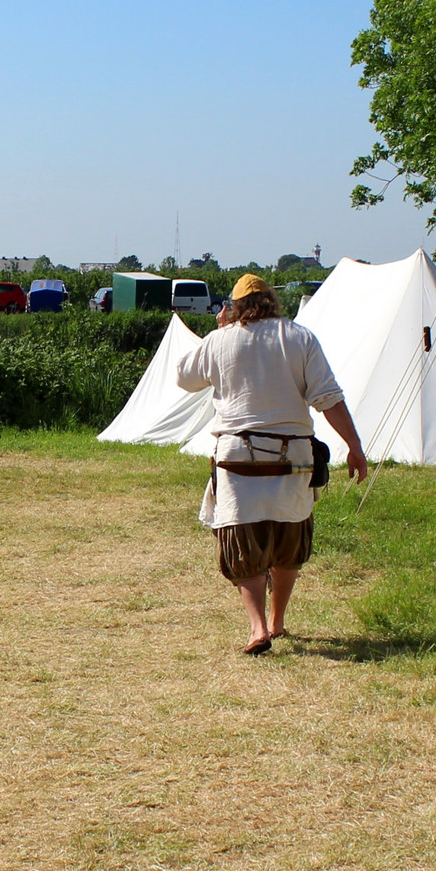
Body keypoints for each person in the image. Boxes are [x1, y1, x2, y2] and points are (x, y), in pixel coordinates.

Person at [174, 273, 368, 655]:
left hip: (237, 459)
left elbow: (184, 377)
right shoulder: (299, 336)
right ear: (271, 301)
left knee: (241, 542)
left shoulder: (221, 339)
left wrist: (219, 332)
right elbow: (328, 397)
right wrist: (354, 445)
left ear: (235, 307)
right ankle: (277, 622)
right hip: (292, 456)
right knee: (287, 540)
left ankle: (258, 627)